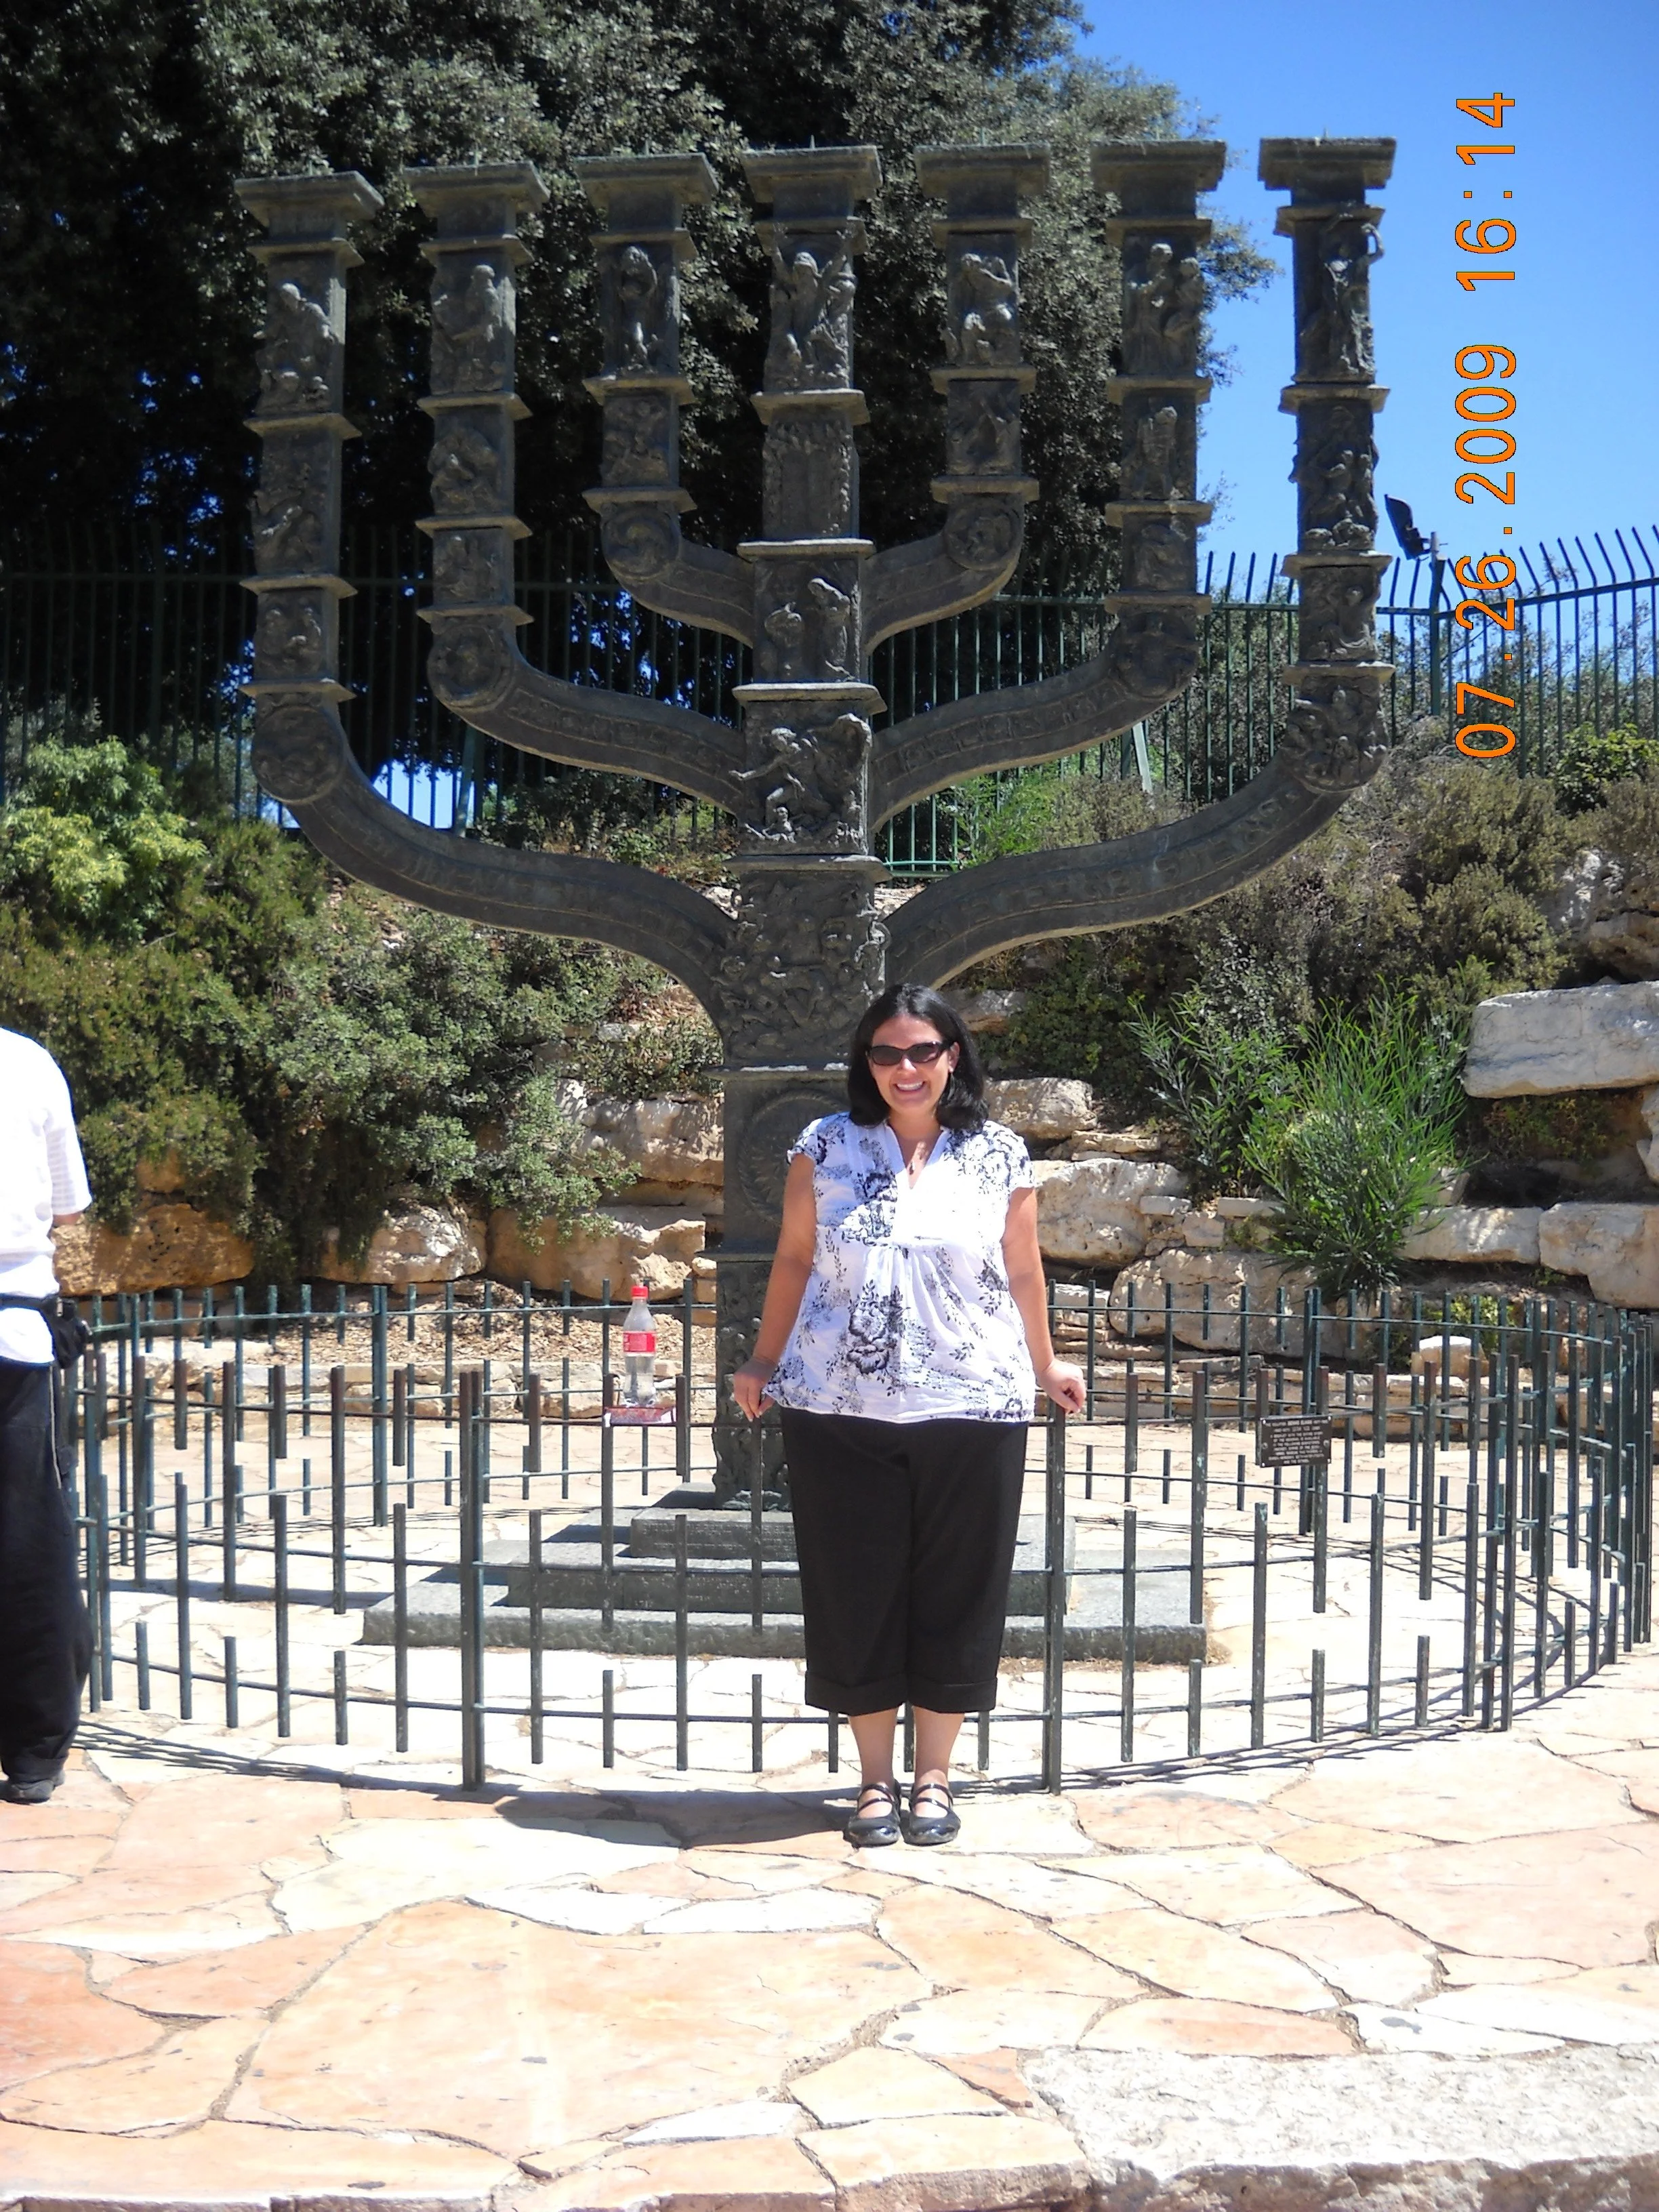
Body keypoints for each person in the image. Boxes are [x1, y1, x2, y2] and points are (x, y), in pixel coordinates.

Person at [731, 983, 1086, 1847]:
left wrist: (1046, 1363)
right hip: (836, 1403)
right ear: (867, 1063)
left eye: (922, 1051)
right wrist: (762, 1358)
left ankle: (935, 1778)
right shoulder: (825, 1145)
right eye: (886, 1054)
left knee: (959, 1591)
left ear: (951, 1056)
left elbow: (1025, 1271)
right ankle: (875, 1784)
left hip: (973, 1400)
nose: (905, 1069)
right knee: (855, 1591)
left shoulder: (997, 1154)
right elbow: (792, 1258)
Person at [0, 1029, 94, 1804]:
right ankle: (34, 1750)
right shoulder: (27, 1063)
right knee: (27, 1537)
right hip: (12, 1335)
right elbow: (68, 1211)